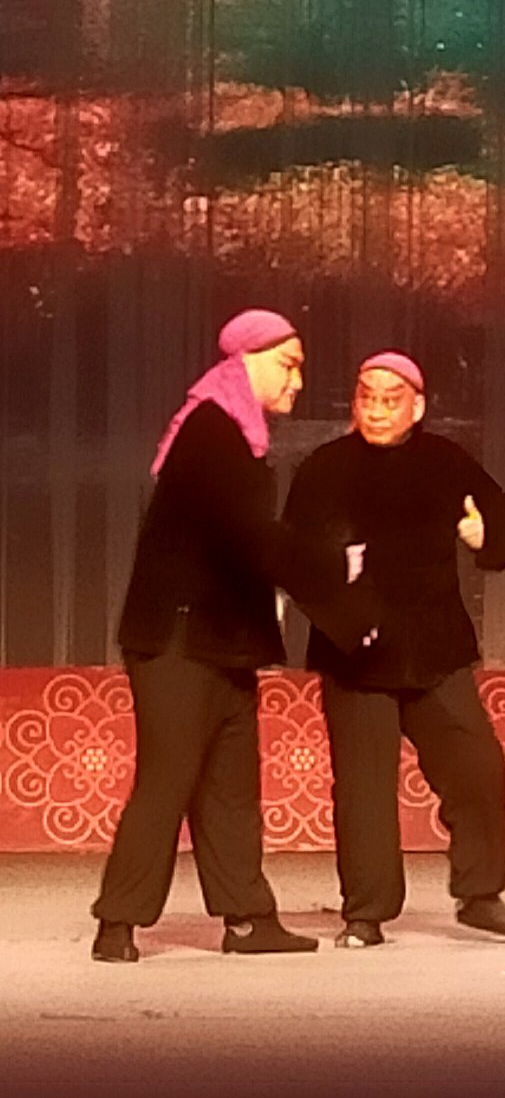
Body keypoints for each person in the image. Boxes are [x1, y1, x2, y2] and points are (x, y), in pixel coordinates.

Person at [90, 309, 325, 962]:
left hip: (219, 639)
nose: (298, 380)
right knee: (168, 779)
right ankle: (118, 922)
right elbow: (250, 537)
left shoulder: (235, 434)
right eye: (288, 364)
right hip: (180, 637)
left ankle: (248, 918)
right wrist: (331, 573)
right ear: (246, 362)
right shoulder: (212, 431)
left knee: (230, 785)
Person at [283, 351, 505, 949]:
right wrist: (339, 596)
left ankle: (480, 895)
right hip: (356, 651)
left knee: (476, 768)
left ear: (416, 407)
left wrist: (487, 535)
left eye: (389, 400)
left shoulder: (444, 460)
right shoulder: (325, 468)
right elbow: (293, 555)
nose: (375, 410)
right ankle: (366, 912)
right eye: (365, 398)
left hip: (434, 647)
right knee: (364, 789)